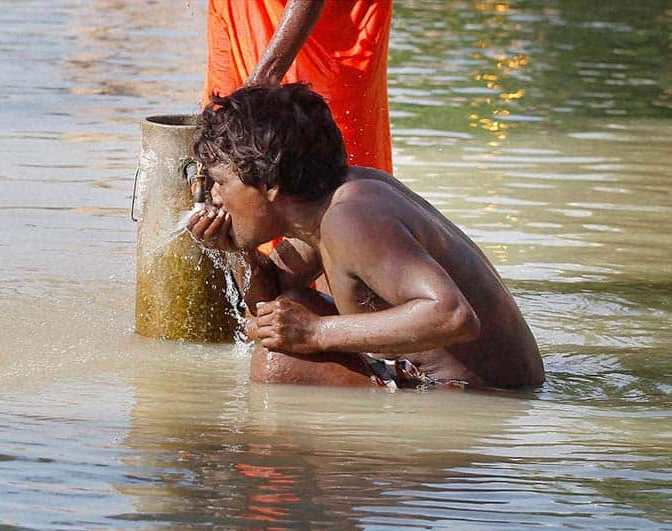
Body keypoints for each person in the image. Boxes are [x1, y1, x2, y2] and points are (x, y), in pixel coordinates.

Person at [186, 84, 545, 390]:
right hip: (469, 389)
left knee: (278, 362)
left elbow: (452, 315)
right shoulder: (327, 202)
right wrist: (234, 251)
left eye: (220, 182)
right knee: (292, 309)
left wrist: (316, 332)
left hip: (480, 400)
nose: (215, 197)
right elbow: (270, 296)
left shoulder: (350, 218)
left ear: (269, 184)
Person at [204, 0, 393, 174]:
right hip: (238, 17)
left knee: (329, 176)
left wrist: (251, 97)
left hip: (324, 42)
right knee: (221, 160)